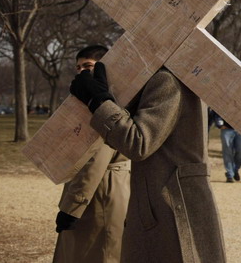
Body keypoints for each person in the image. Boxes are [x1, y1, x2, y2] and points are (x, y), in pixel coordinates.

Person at [69, 55, 226, 261]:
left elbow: (138, 143)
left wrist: (98, 101)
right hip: (164, 204)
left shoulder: (168, 80)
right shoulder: (169, 77)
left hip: (170, 208)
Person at [53, 45, 130, 263]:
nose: (82, 73)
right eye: (78, 68)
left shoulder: (106, 103)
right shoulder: (98, 99)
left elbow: (95, 159)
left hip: (100, 193)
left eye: (88, 66)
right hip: (109, 190)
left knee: (98, 254)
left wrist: (72, 208)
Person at [212, 110, 241, 183]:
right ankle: (230, 174)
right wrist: (220, 124)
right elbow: (218, 108)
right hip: (226, 129)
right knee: (227, 152)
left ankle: (235, 169)